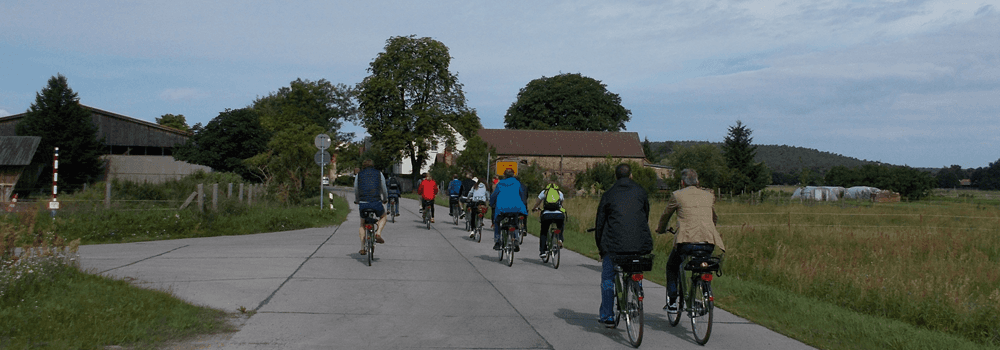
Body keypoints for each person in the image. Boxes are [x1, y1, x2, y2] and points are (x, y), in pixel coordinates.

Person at [655, 168, 726, 314]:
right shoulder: (708, 195)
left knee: (672, 266)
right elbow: (714, 217)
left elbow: (665, 215)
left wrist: (661, 229)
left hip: (686, 242)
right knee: (703, 266)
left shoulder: (677, 195)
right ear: (697, 181)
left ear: (682, 182)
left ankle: (672, 301)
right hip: (708, 241)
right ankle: (705, 293)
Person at [594, 163, 654, 327]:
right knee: (635, 268)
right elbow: (645, 215)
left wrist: (601, 247)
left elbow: (600, 223)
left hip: (614, 245)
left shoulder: (609, 194)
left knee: (608, 277)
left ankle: (607, 315)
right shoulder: (641, 192)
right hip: (638, 244)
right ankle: (637, 294)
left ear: (616, 176)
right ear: (631, 175)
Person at [353, 159, 388, 255]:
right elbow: (384, 188)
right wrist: (385, 199)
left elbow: (356, 188)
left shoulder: (359, 175)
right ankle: (378, 233)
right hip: (376, 202)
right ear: (373, 165)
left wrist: (357, 200)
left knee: (362, 223)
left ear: (363, 166)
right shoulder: (379, 173)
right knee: (383, 216)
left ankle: (362, 248)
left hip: (363, 203)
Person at [489, 168, 527, 251]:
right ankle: (516, 239)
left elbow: (494, 195)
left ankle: (497, 241)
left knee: (497, 222)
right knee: (515, 222)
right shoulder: (517, 183)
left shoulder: (500, 183)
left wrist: (491, 203)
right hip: (516, 208)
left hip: (502, 208)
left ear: (504, 175)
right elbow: (522, 194)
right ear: (513, 175)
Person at [531, 183, 566, 259]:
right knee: (560, 226)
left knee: (544, 232)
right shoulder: (559, 193)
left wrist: (534, 208)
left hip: (547, 215)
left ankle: (543, 252)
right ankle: (560, 238)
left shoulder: (544, 192)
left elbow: (538, 202)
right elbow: (561, 204)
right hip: (558, 215)